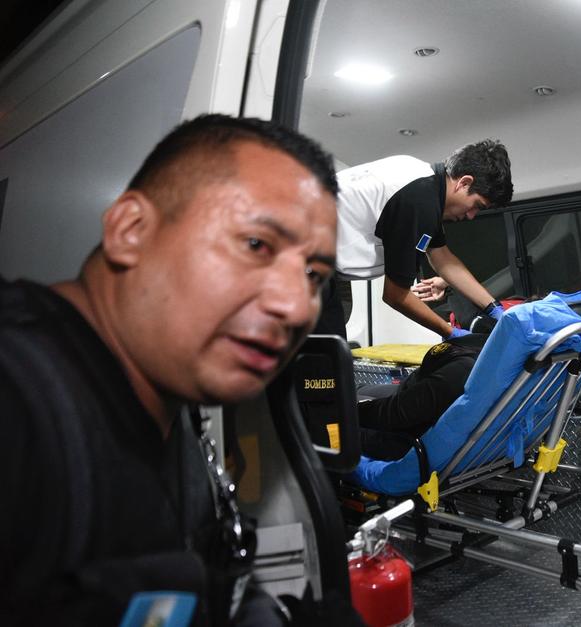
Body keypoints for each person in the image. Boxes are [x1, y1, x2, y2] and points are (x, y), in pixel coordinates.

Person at [0, 115, 340, 626]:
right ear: (131, 231)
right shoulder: (18, 401)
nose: (295, 306)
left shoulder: (166, 405)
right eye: (256, 245)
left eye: (313, 274)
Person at [315, 140, 513, 340]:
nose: (471, 215)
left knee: (329, 350)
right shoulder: (419, 202)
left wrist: (494, 308)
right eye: (476, 205)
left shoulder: (422, 180)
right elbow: (395, 295)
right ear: (464, 183)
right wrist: (451, 333)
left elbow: (442, 257)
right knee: (324, 354)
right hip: (303, 257)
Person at [357, 333, 488, 460]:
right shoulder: (486, 348)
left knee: (346, 406)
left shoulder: (464, 369)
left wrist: (350, 412)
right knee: (353, 391)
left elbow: (399, 412)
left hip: (406, 433)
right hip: (412, 391)